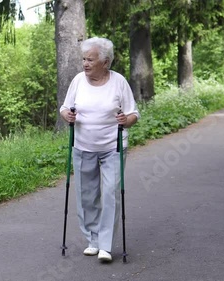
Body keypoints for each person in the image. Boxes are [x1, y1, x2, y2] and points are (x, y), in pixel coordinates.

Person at [60, 37, 140, 262]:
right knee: (87, 196)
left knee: (110, 194)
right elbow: (65, 108)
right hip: (83, 146)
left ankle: (105, 245)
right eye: (83, 59)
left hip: (112, 147)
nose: (85, 64)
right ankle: (92, 240)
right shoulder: (77, 81)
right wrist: (67, 115)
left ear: (105, 62)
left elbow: (134, 114)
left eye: (90, 60)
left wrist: (127, 120)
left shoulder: (118, 82)